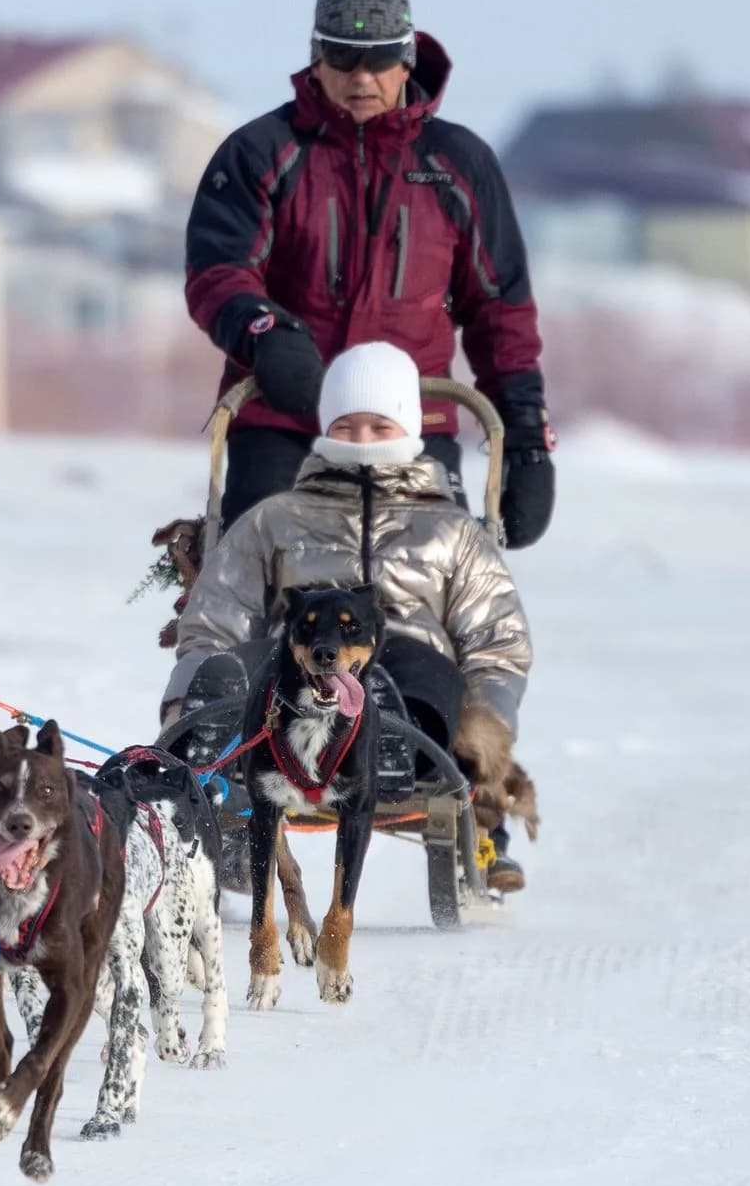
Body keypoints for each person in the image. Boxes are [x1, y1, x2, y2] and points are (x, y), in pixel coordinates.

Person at [184, 0, 555, 549]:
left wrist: (528, 440)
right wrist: (265, 331)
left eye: (379, 58)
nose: (362, 76)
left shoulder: (458, 164)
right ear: (316, 58)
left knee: (446, 592)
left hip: (414, 424)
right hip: (285, 420)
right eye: (342, 57)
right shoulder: (260, 153)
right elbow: (218, 271)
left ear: (406, 59)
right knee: (253, 584)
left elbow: (500, 311)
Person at [168, 342, 534, 892]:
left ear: (408, 428)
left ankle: (389, 736)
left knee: (416, 669)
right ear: (324, 428)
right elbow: (218, 613)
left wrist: (489, 727)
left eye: (378, 427)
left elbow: (496, 639)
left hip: (407, 669)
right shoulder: (276, 519)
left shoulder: (452, 531)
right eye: (347, 425)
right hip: (294, 680)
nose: (361, 441)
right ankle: (218, 747)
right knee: (252, 662)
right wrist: (196, 684)